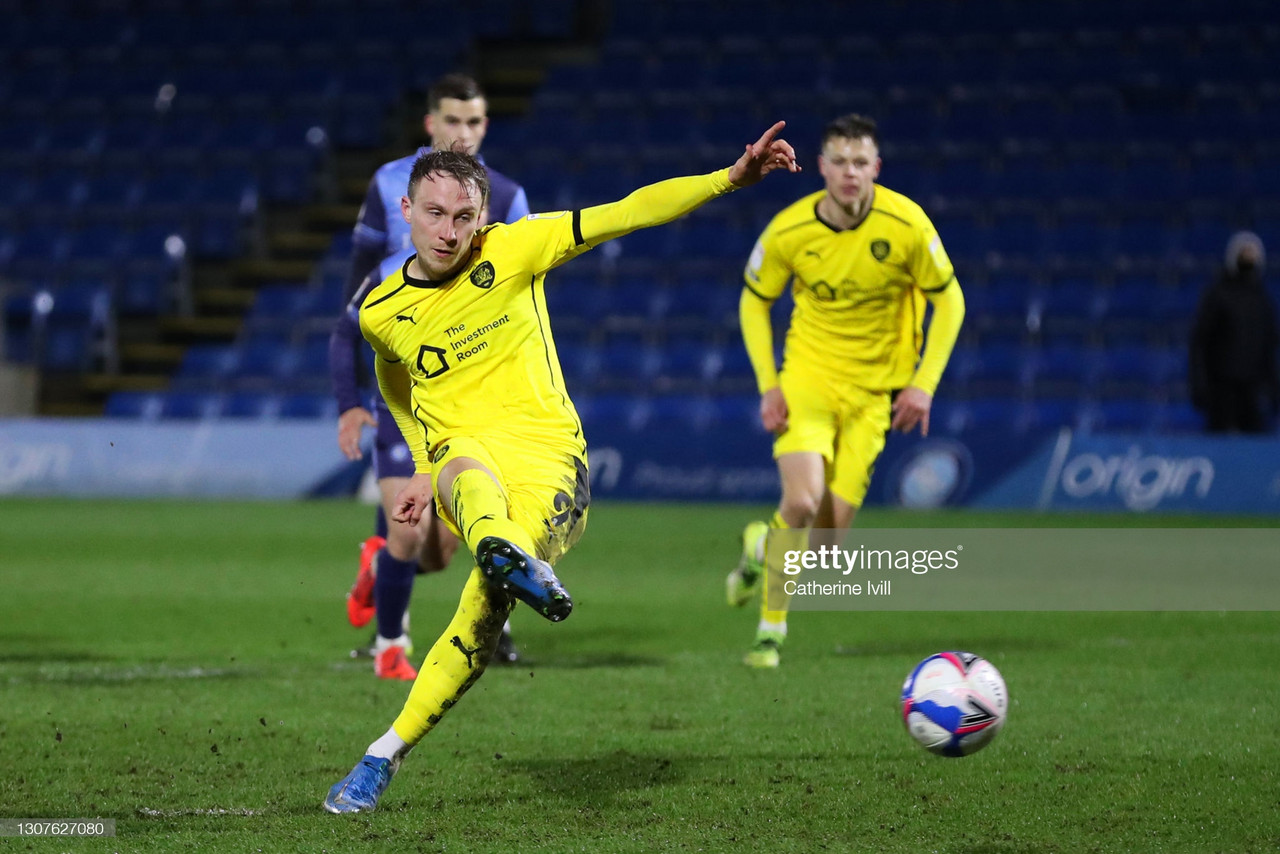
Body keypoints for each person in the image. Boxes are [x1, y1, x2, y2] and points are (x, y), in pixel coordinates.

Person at [323, 123, 800, 813]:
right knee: (467, 477)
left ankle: (387, 748)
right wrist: (426, 462)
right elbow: (390, 378)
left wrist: (727, 179)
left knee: (480, 617)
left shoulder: (517, 247)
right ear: (407, 211)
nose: (449, 231)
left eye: (464, 216)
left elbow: (628, 211)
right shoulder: (381, 311)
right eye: (434, 213)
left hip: (550, 461)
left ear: (483, 217)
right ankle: (496, 567)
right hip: (465, 456)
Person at [723, 114, 966, 669]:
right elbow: (753, 299)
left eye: (862, 163)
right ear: (823, 167)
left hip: (873, 396)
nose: (851, 173)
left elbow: (949, 301)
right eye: (840, 162)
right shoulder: (789, 231)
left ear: (875, 168)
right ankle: (770, 632)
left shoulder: (907, 224)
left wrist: (923, 387)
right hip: (808, 381)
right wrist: (769, 386)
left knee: (827, 549)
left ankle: (760, 547)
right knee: (803, 501)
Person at [331, 72, 530, 678]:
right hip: (410, 380)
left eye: (474, 123)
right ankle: (392, 644)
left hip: (475, 386)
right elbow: (357, 290)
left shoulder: (508, 195)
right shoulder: (392, 182)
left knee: (443, 551)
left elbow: (515, 290)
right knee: (410, 535)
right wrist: (350, 394)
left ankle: (381, 566)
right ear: (430, 124)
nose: (463, 134)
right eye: (453, 121)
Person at [1189, 230, 1278, 434]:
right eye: (1244, 255)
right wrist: (1199, 384)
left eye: (1252, 255)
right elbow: (1200, 342)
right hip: (1220, 389)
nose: (1249, 260)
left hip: (1253, 390)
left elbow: (1269, 348)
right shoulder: (1217, 296)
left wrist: (1273, 388)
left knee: (1253, 449)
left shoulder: (1262, 302)